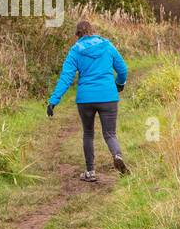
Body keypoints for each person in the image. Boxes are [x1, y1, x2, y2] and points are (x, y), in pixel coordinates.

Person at [47, 19, 129, 182]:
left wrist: (53, 101)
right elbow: (122, 69)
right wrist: (119, 84)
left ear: (77, 35)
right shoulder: (107, 45)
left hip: (86, 99)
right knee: (110, 133)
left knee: (88, 133)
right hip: (108, 96)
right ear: (92, 31)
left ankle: (90, 172)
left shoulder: (75, 51)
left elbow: (66, 78)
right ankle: (117, 155)